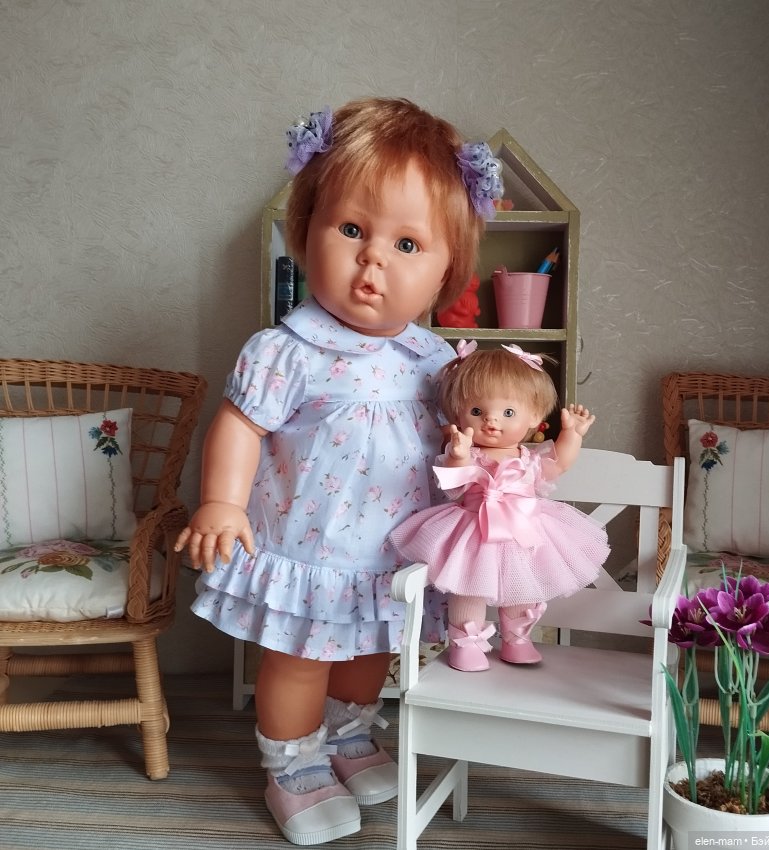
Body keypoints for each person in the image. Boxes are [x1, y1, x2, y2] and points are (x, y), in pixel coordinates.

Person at [174, 97, 503, 846]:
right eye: (351, 229)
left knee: (368, 653)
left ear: (448, 271)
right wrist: (222, 502)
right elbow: (241, 424)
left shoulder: (435, 360)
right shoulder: (286, 350)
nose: (372, 260)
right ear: (307, 230)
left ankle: (348, 735)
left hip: (392, 553)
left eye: (407, 244)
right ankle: (292, 765)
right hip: (308, 551)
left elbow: (465, 434)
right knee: (298, 661)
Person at [390, 340, 610, 672]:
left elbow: (559, 463)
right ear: (458, 413)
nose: (491, 421)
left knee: (524, 588)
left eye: (508, 413)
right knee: (468, 587)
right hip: (474, 531)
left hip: (524, 533)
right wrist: (458, 456)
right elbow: (454, 484)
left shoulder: (529, 458)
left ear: (534, 416)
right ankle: (465, 645)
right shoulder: (470, 453)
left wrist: (572, 435)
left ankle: (517, 639)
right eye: (477, 412)